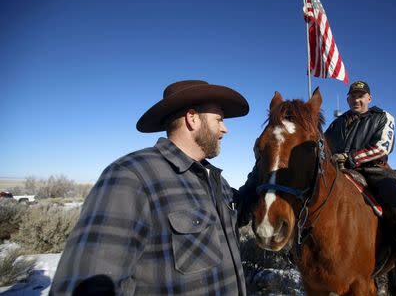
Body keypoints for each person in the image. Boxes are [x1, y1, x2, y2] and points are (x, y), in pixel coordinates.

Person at [50, 80, 250, 295]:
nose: (225, 128)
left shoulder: (217, 181)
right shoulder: (131, 176)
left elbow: (245, 209)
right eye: (219, 119)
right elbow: (86, 284)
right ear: (192, 118)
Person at [325, 80, 396, 291]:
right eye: (353, 96)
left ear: (369, 98)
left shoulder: (382, 117)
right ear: (348, 99)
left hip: (374, 170)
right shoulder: (336, 124)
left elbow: (383, 147)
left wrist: (350, 157)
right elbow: (324, 148)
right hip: (340, 172)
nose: (357, 99)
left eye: (361, 95)